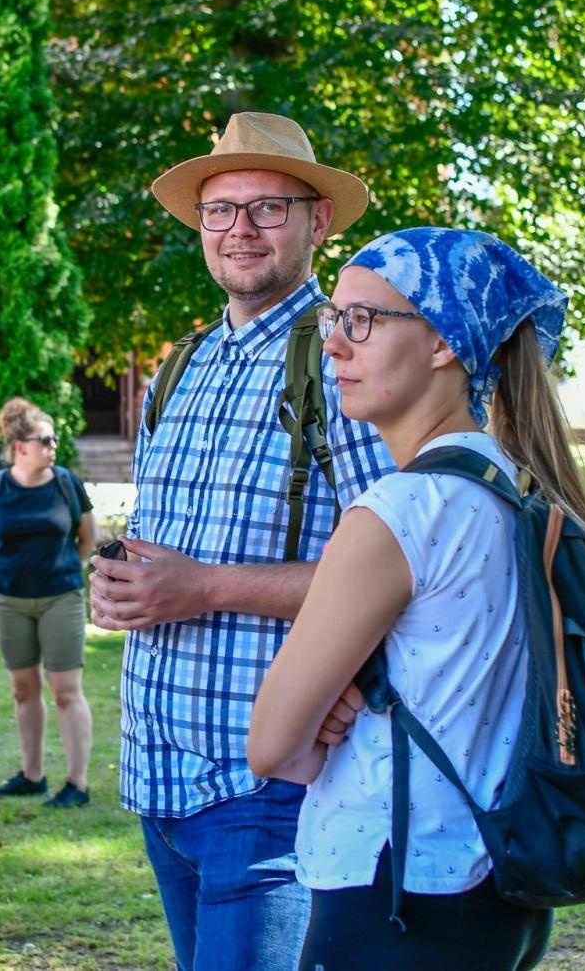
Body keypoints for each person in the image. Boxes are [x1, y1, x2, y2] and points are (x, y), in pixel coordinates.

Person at [248, 226, 585, 970]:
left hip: (391, 890)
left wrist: (326, 719)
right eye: (332, 320)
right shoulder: (517, 489)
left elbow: (272, 746)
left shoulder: (398, 513)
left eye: (362, 320)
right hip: (496, 880)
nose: (335, 347)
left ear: (444, 342)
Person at [87, 111, 394, 970]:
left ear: (317, 221)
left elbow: (405, 568)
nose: (240, 230)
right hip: (159, 771)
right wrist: (117, 576)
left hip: (273, 784)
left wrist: (208, 586)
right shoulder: (183, 363)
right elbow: (167, 540)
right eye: (220, 211)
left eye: (267, 208)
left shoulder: (350, 355)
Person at [0, 398, 97, 810]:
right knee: (23, 690)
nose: (54, 445)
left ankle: (78, 784)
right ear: (21, 446)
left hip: (61, 598)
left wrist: (65, 570)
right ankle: (32, 776)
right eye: (45, 439)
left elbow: (87, 538)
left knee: (65, 691)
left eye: (55, 439)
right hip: (8, 602)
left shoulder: (67, 484)